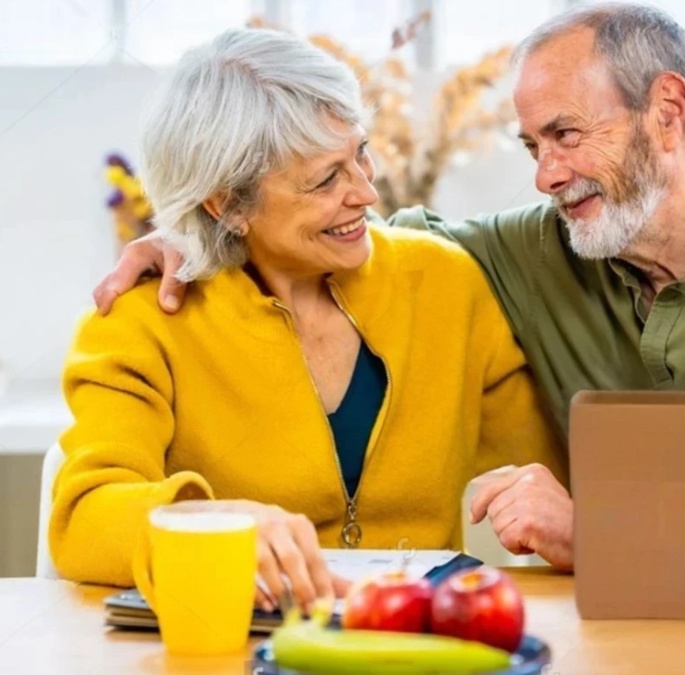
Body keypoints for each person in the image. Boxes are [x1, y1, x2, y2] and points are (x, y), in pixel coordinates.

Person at [94, 3, 685, 566]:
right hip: (659, 628)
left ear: (668, 111)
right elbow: (392, 250)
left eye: (567, 135)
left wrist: (603, 532)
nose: (546, 175)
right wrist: (207, 231)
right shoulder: (548, 246)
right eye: (532, 146)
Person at [49, 26, 567, 608]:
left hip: (412, 647)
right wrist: (214, 526)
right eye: (326, 179)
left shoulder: (446, 283)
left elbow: (562, 473)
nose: (367, 194)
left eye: (361, 154)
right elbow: (86, 518)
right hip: (229, 651)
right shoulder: (144, 320)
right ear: (226, 203)